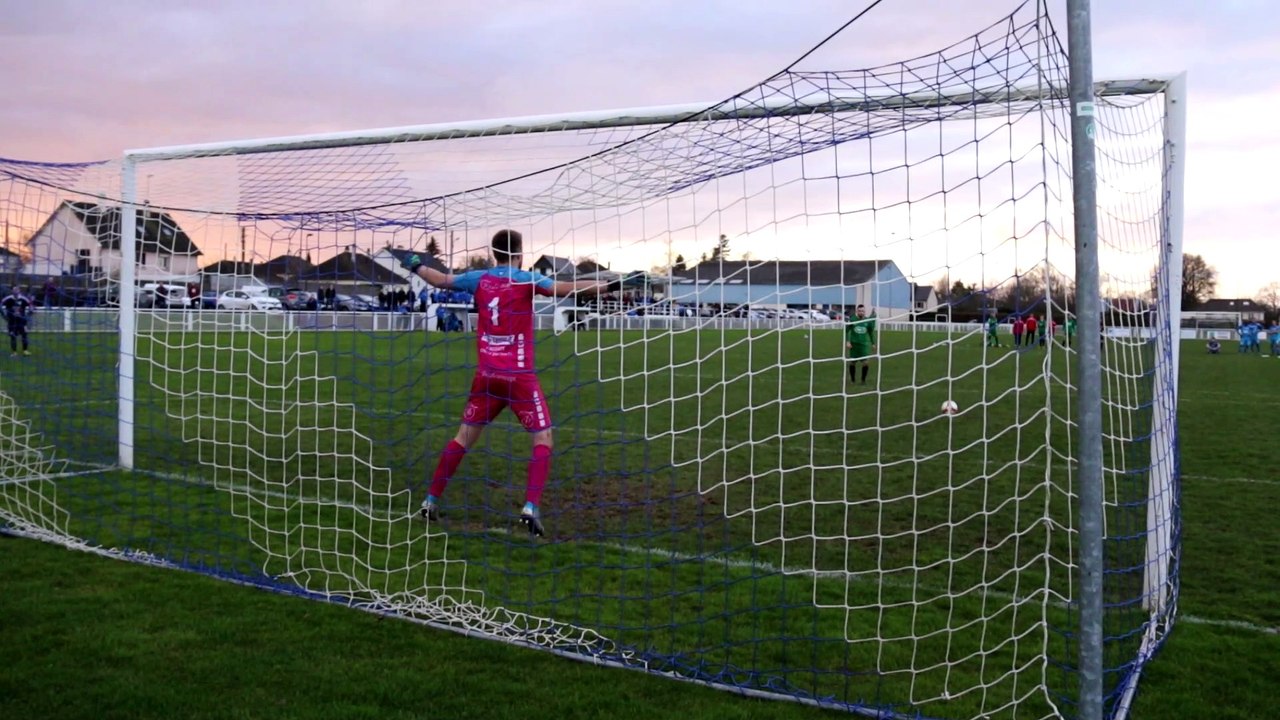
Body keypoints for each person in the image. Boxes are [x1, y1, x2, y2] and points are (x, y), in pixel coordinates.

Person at [399, 230, 609, 536]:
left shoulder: (479, 278)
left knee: (462, 438)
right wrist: (607, 286)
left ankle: (430, 501)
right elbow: (567, 288)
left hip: (486, 377)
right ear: (520, 253)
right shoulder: (526, 279)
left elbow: (441, 279)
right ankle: (530, 507)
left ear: (495, 253)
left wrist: (416, 265)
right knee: (543, 439)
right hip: (519, 378)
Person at [844, 304, 877, 385]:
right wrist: (847, 341)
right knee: (852, 363)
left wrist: (873, 343)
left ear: (865, 312)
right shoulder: (852, 320)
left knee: (866, 362)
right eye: (859, 311)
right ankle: (852, 380)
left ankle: (863, 380)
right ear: (856, 311)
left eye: (862, 311)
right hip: (854, 345)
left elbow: (871, 332)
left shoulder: (867, 321)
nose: (861, 312)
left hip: (864, 345)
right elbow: (847, 331)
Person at [3, 286, 33, 356]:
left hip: (21, 321)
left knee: (24, 335)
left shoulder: (23, 298)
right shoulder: (8, 298)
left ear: (19, 291)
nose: (15, 291)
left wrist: (28, 315)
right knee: (13, 336)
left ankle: (25, 351)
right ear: (12, 291)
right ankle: (14, 352)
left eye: (17, 290)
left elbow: (31, 305)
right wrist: (4, 315)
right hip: (12, 321)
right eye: (14, 290)